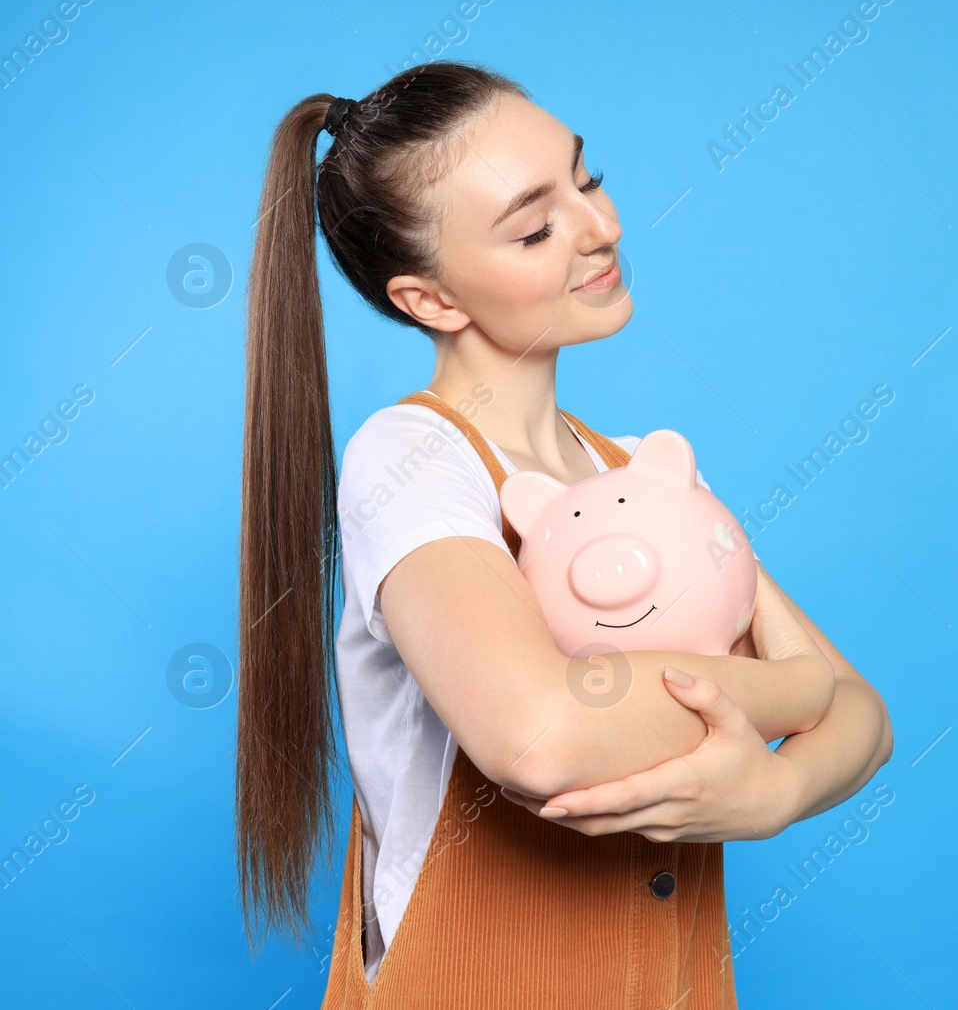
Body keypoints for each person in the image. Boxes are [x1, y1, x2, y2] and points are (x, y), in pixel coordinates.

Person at [235, 61, 893, 1008]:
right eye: (536, 226)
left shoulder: (637, 467)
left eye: (587, 179)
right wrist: (789, 690)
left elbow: (863, 716)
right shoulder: (412, 461)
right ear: (431, 300)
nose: (602, 227)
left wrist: (778, 795)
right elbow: (539, 734)